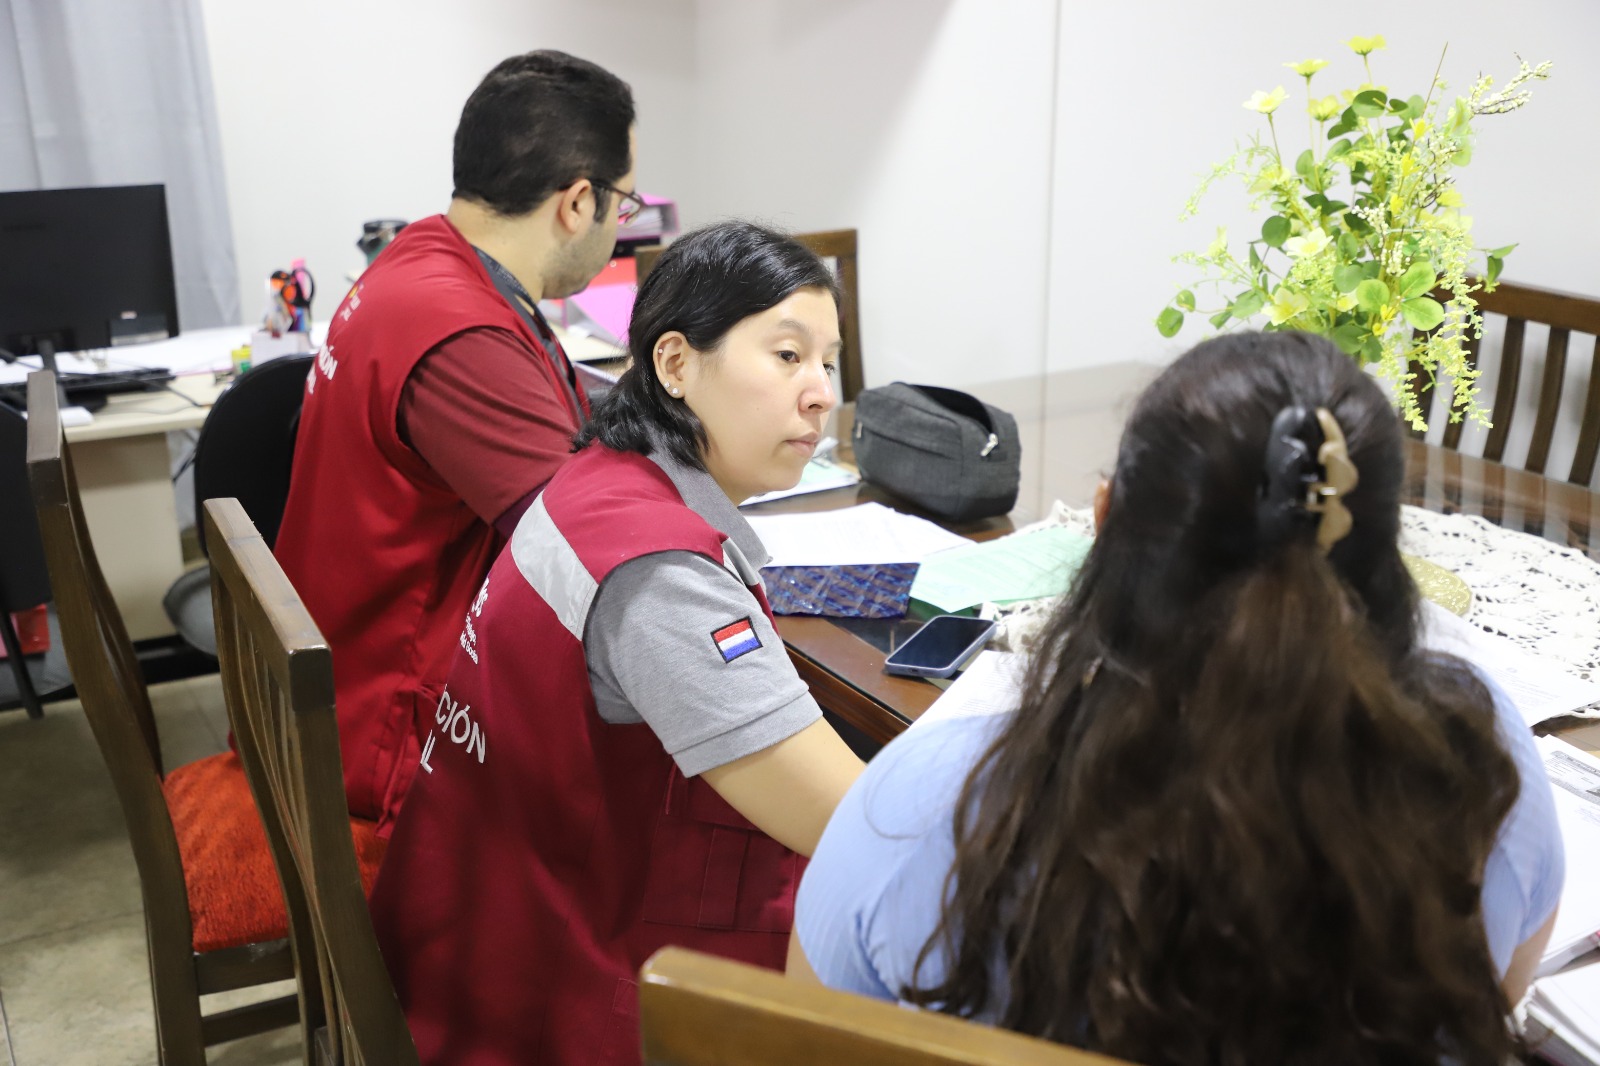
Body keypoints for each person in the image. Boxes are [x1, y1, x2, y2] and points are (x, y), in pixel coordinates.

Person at [793, 332, 1564, 1065]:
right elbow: (1496, 1001)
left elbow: (792, 1042)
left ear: (1104, 522)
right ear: (1385, 551)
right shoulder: (1489, 778)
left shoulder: (923, 814)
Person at [369, 221, 867, 1065]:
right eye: (787, 356)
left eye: (828, 360)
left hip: (478, 931)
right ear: (674, 364)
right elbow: (847, 824)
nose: (820, 391)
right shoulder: (661, 573)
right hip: (564, 999)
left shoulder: (600, 477)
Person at [274, 50, 640, 831]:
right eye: (626, 205)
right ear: (580, 202)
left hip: (341, 674)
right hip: (392, 731)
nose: (620, 225)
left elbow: (567, 405)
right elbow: (582, 553)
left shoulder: (425, 258)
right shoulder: (460, 332)